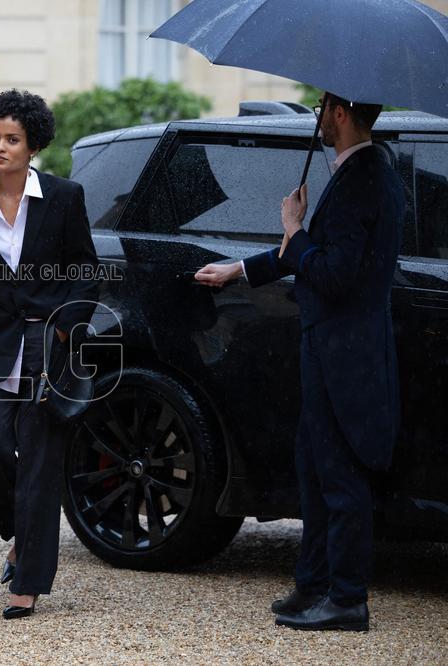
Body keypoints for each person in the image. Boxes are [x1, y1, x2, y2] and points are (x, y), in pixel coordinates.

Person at [195, 92, 405, 632]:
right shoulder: (359, 170)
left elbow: (334, 273)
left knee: (341, 476)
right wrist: (240, 268)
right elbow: (316, 253)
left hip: (347, 355)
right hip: (329, 348)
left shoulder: (366, 178)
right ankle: (312, 584)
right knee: (313, 470)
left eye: (319, 109)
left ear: (338, 113)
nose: (316, 119)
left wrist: (294, 227)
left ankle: (347, 599)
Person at [0, 89, 99, 619]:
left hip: (48, 347)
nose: (0, 147)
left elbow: (85, 270)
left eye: (11, 140)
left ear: (32, 146)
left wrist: (66, 328)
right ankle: (19, 531)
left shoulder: (65, 197)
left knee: (39, 466)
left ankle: (29, 580)